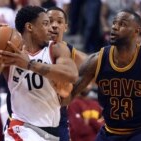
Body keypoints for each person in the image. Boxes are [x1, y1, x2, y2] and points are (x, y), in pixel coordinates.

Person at [70, 9, 141, 140]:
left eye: (123, 24)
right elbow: (70, 94)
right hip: (109, 131)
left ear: (136, 31)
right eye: (114, 23)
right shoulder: (96, 60)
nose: (114, 27)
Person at [0, 5, 78, 141]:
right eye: (46, 23)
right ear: (30, 27)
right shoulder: (10, 52)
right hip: (21, 129)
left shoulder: (56, 48)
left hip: (50, 132)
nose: (51, 28)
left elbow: (72, 74)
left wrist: (29, 65)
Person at [46, 6, 87, 141]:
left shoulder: (72, 53)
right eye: (50, 21)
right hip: (29, 117)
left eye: (59, 22)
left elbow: (96, 71)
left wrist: (73, 91)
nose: (54, 26)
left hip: (58, 116)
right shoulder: (32, 48)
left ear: (66, 27)